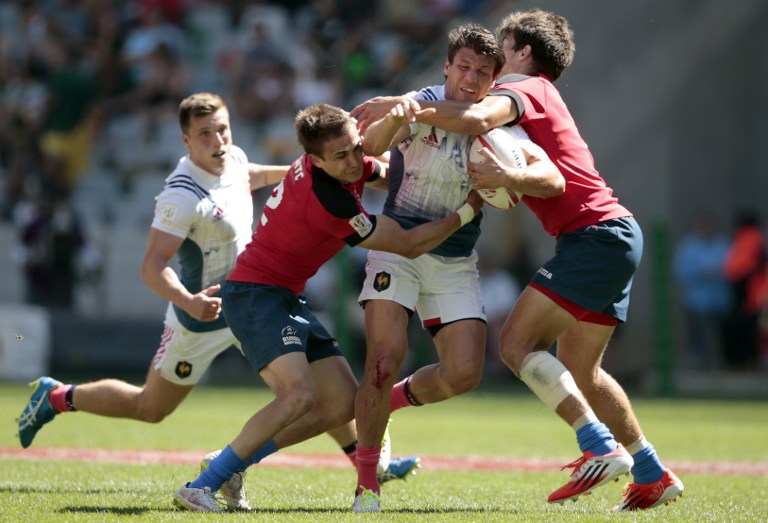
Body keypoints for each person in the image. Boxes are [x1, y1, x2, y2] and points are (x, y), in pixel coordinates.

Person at [14, 93, 419, 511]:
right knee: (151, 407)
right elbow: (152, 267)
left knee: (319, 393)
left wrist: (315, 168)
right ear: (187, 141)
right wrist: (187, 301)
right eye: (205, 133)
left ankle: (357, 463)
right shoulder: (180, 196)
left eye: (222, 128)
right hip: (205, 311)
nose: (218, 139)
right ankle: (59, 397)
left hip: (261, 297)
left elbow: (259, 175)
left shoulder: (238, 162)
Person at [353, 8, 684, 512]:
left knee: (514, 344)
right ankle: (652, 470)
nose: (490, 66)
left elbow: (480, 119)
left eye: (499, 52)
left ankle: (598, 447)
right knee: (581, 369)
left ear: (522, 53)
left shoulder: (525, 90)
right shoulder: (532, 100)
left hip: (592, 235)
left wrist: (407, 107)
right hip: (612, 233)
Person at [172, 102, 485, 512]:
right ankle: (201, 485)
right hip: (255, 294)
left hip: (284, 296)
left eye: (356, 148)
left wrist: (448, 171)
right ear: (315, 160)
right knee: (297, 396)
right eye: (343, 156)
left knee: (340, 404)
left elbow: (387, 173)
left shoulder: (338, 161)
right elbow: (407, 243)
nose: (356, 161)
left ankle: (232, 465)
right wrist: (469, 207)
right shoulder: (328, 201)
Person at [351, 23, 564, 512]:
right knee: (382, 361)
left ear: (494, 80)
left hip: (454, 257)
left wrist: (512, 176)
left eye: (482, 72)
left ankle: (389, 408)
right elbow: (369, 147)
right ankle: (367, 484)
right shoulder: (420, 101)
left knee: (465, 373)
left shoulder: (499, 125)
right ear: (446, 66)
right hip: (397, 249)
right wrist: (396, 116)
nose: (470, 79)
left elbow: (552, 180)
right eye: (463, 67)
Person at [673, 211, 731, 370]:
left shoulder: (723, 244)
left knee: (719, 336)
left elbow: (731, 269)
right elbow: (681, 272)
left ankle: (719, 366)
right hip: (696, 301)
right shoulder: (688, 246)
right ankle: (699, 367)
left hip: (719, 301)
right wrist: (701, 273)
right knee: (698, 337)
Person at [723, 210, 767, 369]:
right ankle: (746, 360)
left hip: (748, 291)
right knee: (748, 327)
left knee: (748, 328)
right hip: (750, 292)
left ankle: (746, 361)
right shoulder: (753, 237)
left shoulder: (750, 237)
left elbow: (742, 268)